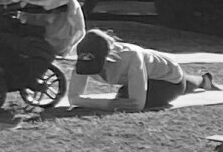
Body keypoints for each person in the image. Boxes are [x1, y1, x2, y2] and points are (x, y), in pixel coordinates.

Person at [69, 28, 198, 112]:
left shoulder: (131, 57)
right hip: (153, 70)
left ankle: (202, 81)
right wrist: (108, 104)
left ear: (109, 57)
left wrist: (92, 102)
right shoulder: (83, 59)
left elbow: (137, 105)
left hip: (170, 80)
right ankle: (203, 81)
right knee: (122, 98)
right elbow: (73, 99)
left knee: (125, 97)